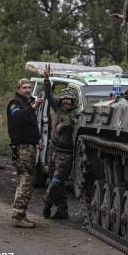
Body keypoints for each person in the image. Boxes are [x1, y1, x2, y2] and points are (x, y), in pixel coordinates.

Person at [41, 64, 79, 220]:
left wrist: (65, 125)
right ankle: (62, 209)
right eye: (64, 99)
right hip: (53, 150)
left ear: (73, 101)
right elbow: (49, 96)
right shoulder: (58, 108)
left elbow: (75, 124)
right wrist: (46, 80)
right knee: (55, 180)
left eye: (69, 100)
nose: (66, 102)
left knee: (57, 181)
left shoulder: (76, 114)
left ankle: (47, 202)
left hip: (66, 154)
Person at [7, 78, 43, 228]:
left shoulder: (26, 103)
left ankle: (20, 214)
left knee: (25, 180)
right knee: (26, 180)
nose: (27, 90)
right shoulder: (15, 103)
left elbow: (29, 126)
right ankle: (18, 216)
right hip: (22, 148)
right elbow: (18, 120)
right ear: (18, 89)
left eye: (29, 87)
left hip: (29, 146)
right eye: (24, 88)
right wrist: (34, 106)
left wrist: (37, 140)